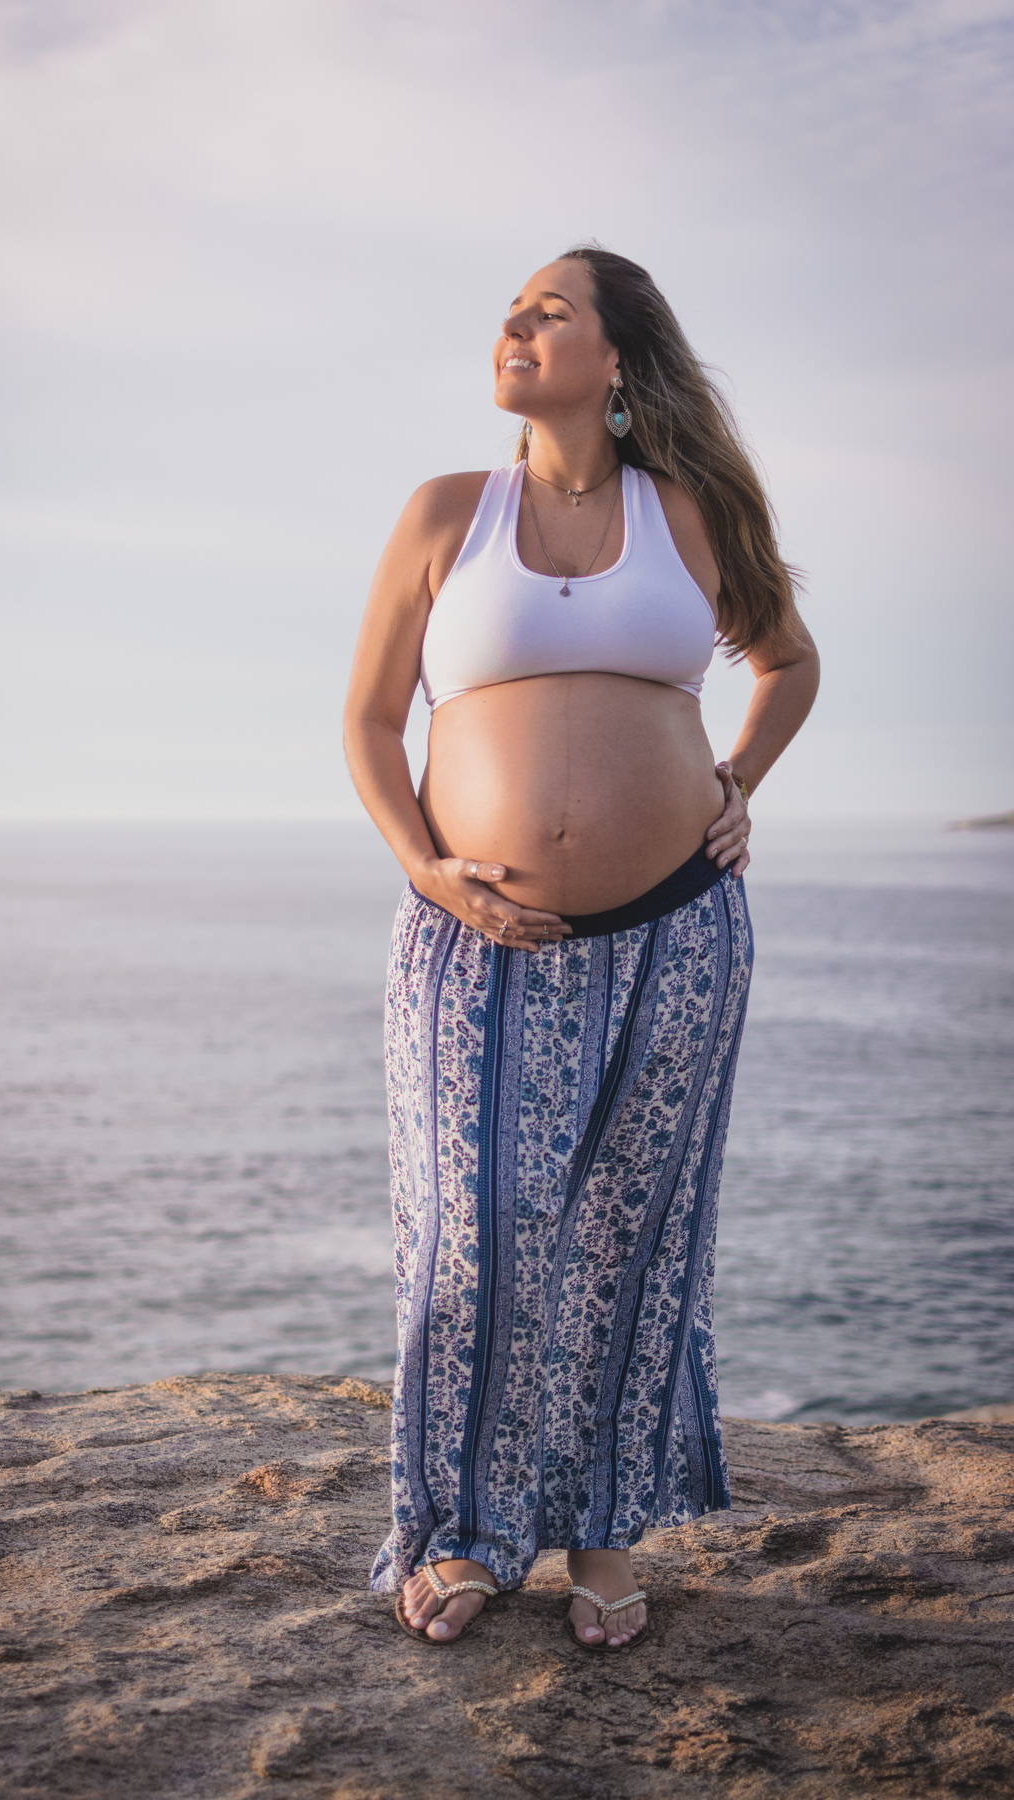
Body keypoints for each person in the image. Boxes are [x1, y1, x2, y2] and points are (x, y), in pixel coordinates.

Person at [342, 246, 819, 1650]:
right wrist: (426, 865)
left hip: (677, 934)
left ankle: (604, 1536)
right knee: (472, 1233)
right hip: (469, 936)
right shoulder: (447, 513)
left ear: (616, 360)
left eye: (550, 310)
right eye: (510, 310)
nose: (516, 324)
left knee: (631, 1241)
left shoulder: (690, 513)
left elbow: (787, 659)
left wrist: (736, 782)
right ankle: (462, 1527)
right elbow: (371, 721)